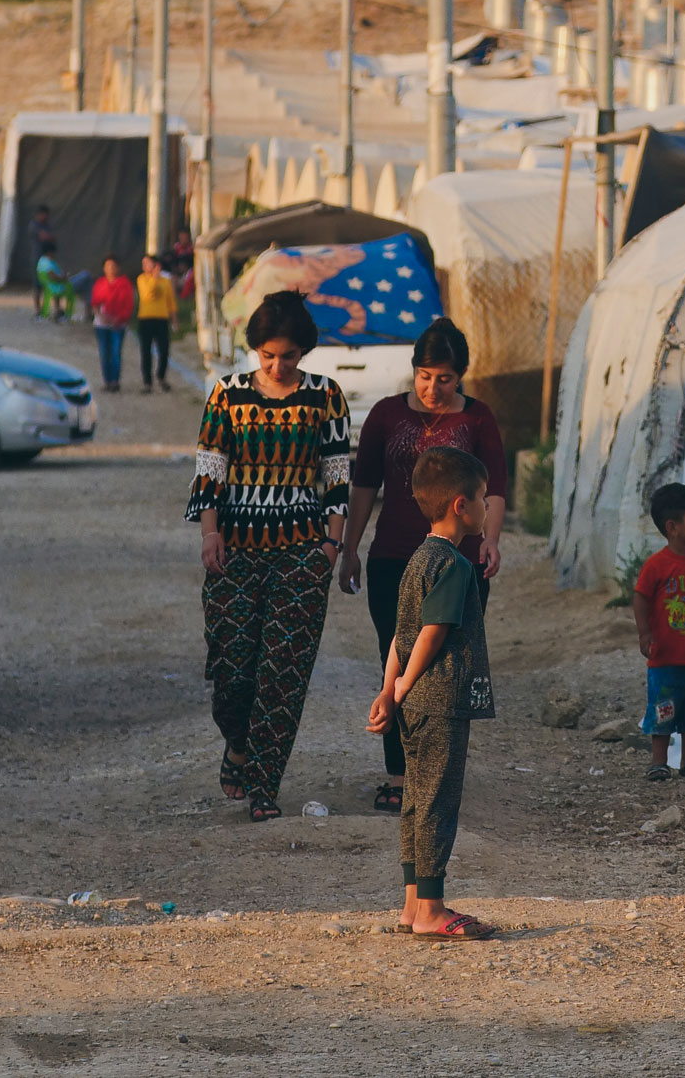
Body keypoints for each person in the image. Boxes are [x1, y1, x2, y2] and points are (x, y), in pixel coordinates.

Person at [187, 290, 351, 823]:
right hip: (235, 550)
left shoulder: (326, 396)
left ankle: (264, 785)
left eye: (289, 355)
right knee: (233, 669)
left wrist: (331, 544)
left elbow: (337, 476)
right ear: (255, 349)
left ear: (304, 351)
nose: (278, 365)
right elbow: (210, 467)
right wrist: (210, 535)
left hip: (302, 553)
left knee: (283, 673)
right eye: (267, 354)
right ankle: (238, 744)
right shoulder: (227, 394)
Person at [337, 317, 507, 814]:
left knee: (448, 665)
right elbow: (364, 485)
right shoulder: (387, 415)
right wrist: (350, 547)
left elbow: (494, 487)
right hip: (394, 558)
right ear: (413, 371)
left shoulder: (478, 420)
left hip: (462, 564)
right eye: (425, 375)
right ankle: (398, 774)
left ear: (462, 377)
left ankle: (438, 770)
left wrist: (490, 541)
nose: (434, 387)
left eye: (446, 378)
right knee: (396, 659)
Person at [365, 446, 498, 940]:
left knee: (415, 799)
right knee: (438, 800)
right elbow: (430, 634)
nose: (488, 506)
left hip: (413, 702)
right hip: (440, 701)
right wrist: (400, 689)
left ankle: (410, 905)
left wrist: (389, 690)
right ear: (461, 505)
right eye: (483, 497)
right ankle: (432, 910)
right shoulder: (456, 566)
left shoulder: (417, 559)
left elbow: (401, 635)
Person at [633, 483, 685, 782]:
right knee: (663, 710)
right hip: (665, 659)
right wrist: (645, 634)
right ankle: (658, 761)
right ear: (673, 527)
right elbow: (640, 597)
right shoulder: (657, 565)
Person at [90, 255, 135, 392]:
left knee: (115, 353)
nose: (110, 269)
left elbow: (128, 304)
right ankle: (107, 380)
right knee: (104, 353)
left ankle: (115, 381)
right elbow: (95, 303)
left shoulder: (124, 284)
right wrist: (101, 316)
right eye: (108, 266)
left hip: (118, 323)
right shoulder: (100, 283)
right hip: (101, 324)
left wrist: (119, 318)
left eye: (113, 266)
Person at [136, 253, 178, 392]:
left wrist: (174, 319)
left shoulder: (165, 282)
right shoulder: (141, 279)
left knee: (164, 350)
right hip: (146, 319)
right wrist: (154, 278)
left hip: (161, 319)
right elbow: (147, 294)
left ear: (155, 265)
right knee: (146, 351)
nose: (144, 266)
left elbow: (170, 301)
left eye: (147, 263)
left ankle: (161, 376)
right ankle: (147, 382)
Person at [29, 206, 58, 315]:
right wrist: (49, 237)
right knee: (37, 284)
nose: (46, 217)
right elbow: (44, 237)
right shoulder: (34, 225)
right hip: (37, 257)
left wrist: (49, 237)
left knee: (53, 283)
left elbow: (53, 237)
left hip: (49, 257)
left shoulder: (47, 225)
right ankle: (38, 310)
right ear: (39, 214)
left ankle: (56, 309)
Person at [35, 250, 72, 322]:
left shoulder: (41, 261)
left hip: (49, 286)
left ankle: (57, 311)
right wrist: (65, 277)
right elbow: (53, 277)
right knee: (71, 290)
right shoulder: (48, 264)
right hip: (55, 286)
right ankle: (67, 313)